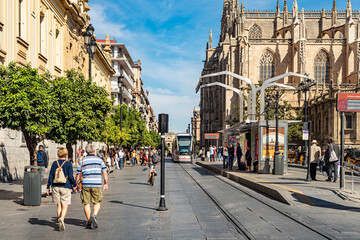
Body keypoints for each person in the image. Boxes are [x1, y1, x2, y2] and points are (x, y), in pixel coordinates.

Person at [75, 144, 108, 229]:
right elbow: (104, 172)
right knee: (97, 202)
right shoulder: (100, 160)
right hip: (96, 184)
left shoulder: (82, 161)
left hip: (85, 184)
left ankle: (89, 221)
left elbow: (78, 174)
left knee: (86, 203)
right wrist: (105, 183)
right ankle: (94, 215)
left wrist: (75, 184)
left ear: (86, 151)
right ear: (94, 151)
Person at [46, 147, 76, 231]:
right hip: (65, 186)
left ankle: (59, 221)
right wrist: (74, 184)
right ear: (66, 154)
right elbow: (70, 176)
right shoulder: (68, 163)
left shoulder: (55, 163)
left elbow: (51, 176)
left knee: (58, 205)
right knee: (65, 205)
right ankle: (62, 218)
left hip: (55, 186)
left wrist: (48, 187)